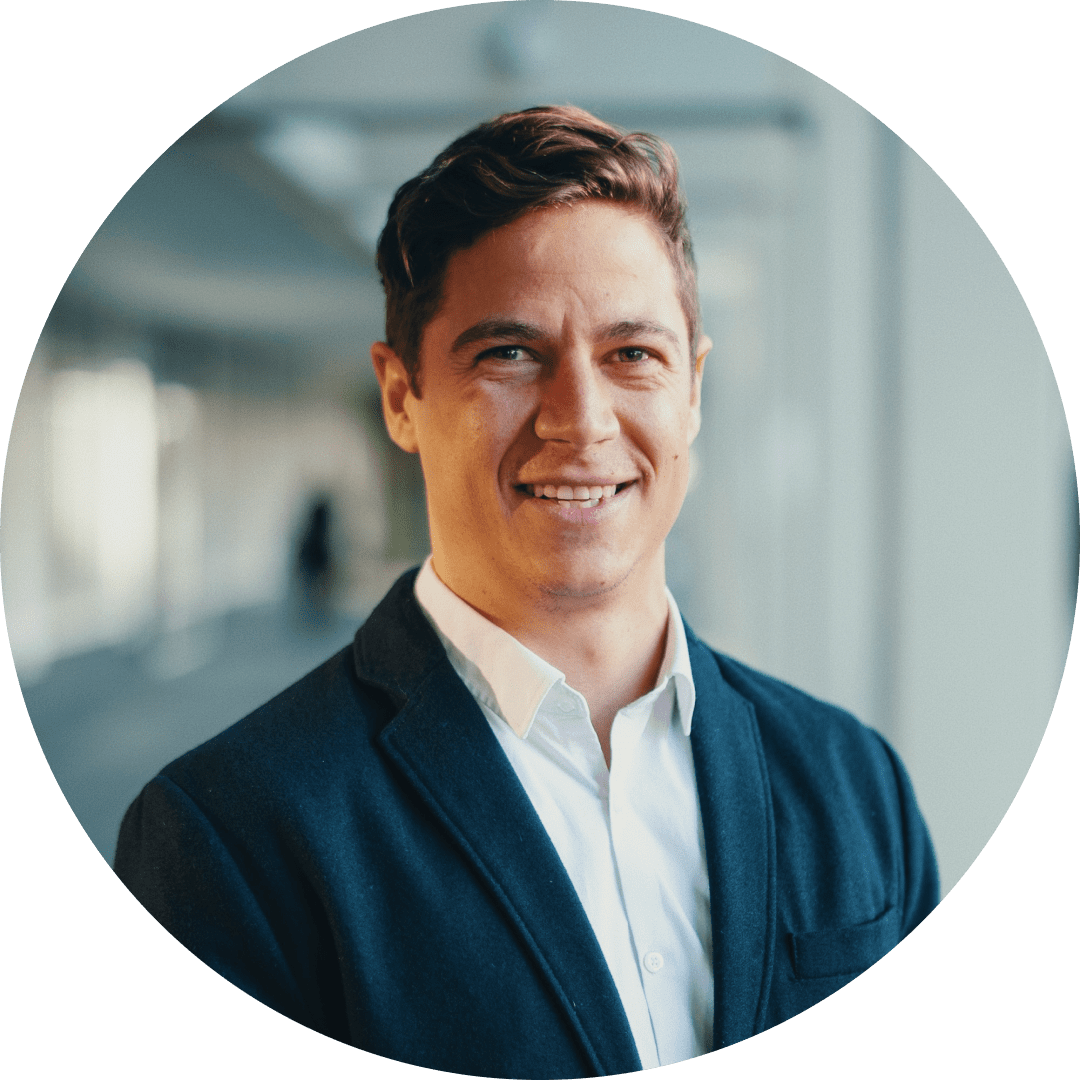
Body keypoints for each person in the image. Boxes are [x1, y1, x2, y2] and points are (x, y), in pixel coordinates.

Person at [115, 106, 938, 1078]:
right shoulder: (231, 835)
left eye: (633, 354)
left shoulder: (854, 780)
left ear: (692, 391)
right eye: (509, 353)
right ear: (401, 397)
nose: (581, 421)